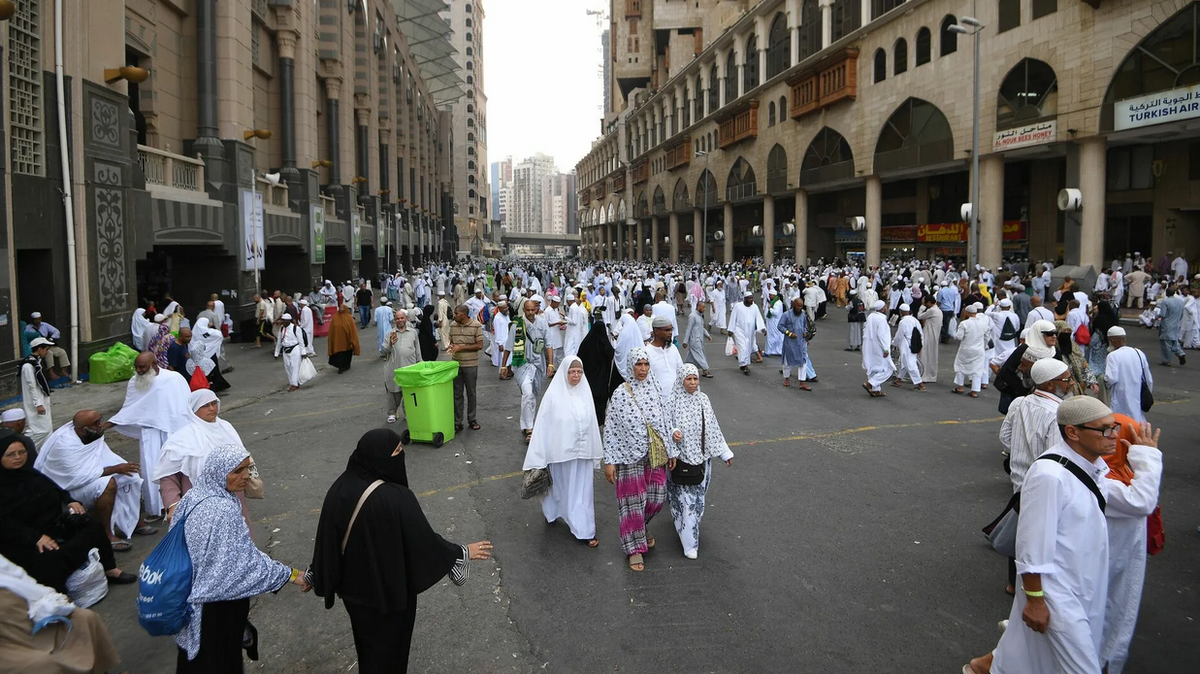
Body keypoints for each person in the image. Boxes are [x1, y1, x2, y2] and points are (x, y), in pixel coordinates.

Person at [308, 429, 493, 674]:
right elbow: (424, 544)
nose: (401, 456)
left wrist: (316, 573)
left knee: (368, 649)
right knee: (391, 654)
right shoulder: (396, 498)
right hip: (390, 597)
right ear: (380, 457)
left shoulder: (341, 487)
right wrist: (462, 552)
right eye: (397, 452)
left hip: (355, 596)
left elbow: (327, 538)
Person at [975, 397, 1118, 674]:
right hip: (1058, 594)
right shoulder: (1049, 475)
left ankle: (987, 666)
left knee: (1033, 659)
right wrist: (1036, 599)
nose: (1113, 436)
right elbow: (1031, 546)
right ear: (1073, 432)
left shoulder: (1095, 468)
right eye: (1104, 430)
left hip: (1084, 588)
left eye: (1115, 428)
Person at [171, 444, 309, 672]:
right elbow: (243, 565)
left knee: (193, 661)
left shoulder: (194, 496)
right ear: (218, 471)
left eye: (247, 468)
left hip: (188, 598)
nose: (245, 477)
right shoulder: (222, 510)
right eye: (236, 471)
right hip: (216, 608)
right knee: (220, 662)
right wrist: (293, 576)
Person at [1, 433, 136, 593]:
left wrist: (71, 501)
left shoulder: (30, 473)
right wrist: (35, 538)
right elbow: (5, 524)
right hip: (22, 537)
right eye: (10, 454)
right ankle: (57, 594)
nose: (18, 457)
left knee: (92, 526)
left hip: (52, 525)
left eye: (22, 452)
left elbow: (56, 489)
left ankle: (110, 569)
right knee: (49, 556)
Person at [996, 358, 1073, 596]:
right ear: (1050, 385)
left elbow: (1005, 438)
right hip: (1043, 485)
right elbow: (1057, 457)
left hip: (1019, 480)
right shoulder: (1057, 413)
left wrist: (1020, 454)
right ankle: (1035, 589)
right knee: (1041, 537)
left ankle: (1013, 583)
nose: (1070, 383)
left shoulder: (1020, 402)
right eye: (1066, 379)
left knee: (1023, 530)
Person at [1098, 414, 1163, 674]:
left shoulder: (1119, 472)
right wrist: (1146, 457)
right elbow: (1142, 501)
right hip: (1107, 566)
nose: (1112, 438)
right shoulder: (1104, 480)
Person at [33, 411, 146, 551]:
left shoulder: (92, 434)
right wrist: (115, 469)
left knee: (129, 476)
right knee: (108, 484)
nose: (101, 425)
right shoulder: (65, 445)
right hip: (67, 491)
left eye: (100, 420)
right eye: (96, 423)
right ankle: (107, 534)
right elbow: (76, 477)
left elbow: (101, 460)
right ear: (82, 428)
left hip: (86, 478)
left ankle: (133, 522)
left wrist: (119, 468)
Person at [523, 357, 602, 547]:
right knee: (558, 487)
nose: (576, 376)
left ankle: (584, 528)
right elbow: (543, 426)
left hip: (582, 453)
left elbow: (592, 422)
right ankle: (552, 511)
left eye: (579, 372)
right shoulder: (553, 396)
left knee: (581, 492)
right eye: (572, 372)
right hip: (560, 453)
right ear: (564, 373)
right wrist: (540, 454)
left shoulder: (585, 393)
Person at [603, 348, 669, 572]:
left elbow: (665, 419)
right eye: (638, 364)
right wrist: (609, 461)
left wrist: (672, 450)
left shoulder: (656, 388)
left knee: (657, 497)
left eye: (646, 364)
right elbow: (610, 428)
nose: (642, 369)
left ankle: (640, 527)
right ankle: (634, 549)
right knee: (632, 504)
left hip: (655, 454)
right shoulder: (621, 393)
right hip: (627, 455)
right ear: (631, 366)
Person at [0, 551, 123, 672]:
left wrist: (51, 596)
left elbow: (19, 576)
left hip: (24, 613)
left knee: (85, 618)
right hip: (5, 641)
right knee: (38, 664)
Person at [107, 352, 193, 519]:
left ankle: (185, 501)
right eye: (136, 367)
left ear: (155, 364)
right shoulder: (134, 382)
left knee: (181, 466)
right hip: (150, 433)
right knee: (153, 469)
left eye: (143, 367)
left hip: (174, 431)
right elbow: (131, 408)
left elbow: (186, 405)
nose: (139, 371)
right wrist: (110, 423)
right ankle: (159, 507)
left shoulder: (174, 378)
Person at [155, 390, 252, 526]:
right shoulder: (182, 439)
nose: (212, 408)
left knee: (239, 534)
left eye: (214, 403)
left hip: (234, 497)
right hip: (201, 504)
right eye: (205, 405)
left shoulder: (226, 428)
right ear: (193, 409)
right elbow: (168, 476)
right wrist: (173, 505)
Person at [665, 365, 734, 560]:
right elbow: (665, 425)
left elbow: (712, 427)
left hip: (701, 461)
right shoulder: (672, 402)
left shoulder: (703, 400)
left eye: (695, 379)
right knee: (686, 502)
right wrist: (673, 434)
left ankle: (685, 529)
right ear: (681, 381)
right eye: (689, 379)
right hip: (679, 460)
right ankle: (690, 543)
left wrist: (724, 452)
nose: (693, 383)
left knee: (697, 501)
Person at [508, 299, 553, 443]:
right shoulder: (517, 324)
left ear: (537, 309)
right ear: (524, 310)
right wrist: (504, 366)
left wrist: (551, 364)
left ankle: (527, 421)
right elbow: (509, 346)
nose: (530, 313)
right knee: (527, 394)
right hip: (522, 364)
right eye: (527, 310)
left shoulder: (542, 323)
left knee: (533, 394)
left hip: (538, 364)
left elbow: (549, 344)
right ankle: (529, 428)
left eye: (533, 310)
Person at [576, 308, 624, 425]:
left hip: (587, 378)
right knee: (600, 400)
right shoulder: (604, 344)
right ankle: (599, 420)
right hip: (602, 379)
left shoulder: (586, 343)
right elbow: (611, 354)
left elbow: (579, 357)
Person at [447, 305, 484, 433]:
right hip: (456, 365)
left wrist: (461, 348)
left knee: (471, 393)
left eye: (457, 313)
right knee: (457, 394)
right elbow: (452, 341)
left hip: (471, 365)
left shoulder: (476, 325)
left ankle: (472, 419)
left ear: (464, 314)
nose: (455, 315)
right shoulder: (453, 325)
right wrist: (452, 347)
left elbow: (479, 345)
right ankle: (458, 422)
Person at [1104, 326, 1152, 423]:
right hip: (1137, 393)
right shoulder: (1139, 353)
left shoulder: (1113, 356)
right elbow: (1148, 378)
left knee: (1120, 421)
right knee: (1136, 419)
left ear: (1112, 340)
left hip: (1120, 396)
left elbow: (1111, 379)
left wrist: (1103, 379)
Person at [383, 309, 422, 424]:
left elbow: (417, 349)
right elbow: (384, 350)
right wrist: (390, 343)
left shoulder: (413, 332)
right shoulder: (390, 333)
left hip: (410, 368)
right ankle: (392, 413)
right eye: (397, 318)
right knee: (393, 391)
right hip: (395, 368)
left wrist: (420, 363)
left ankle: (408, 413)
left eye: (402, 318)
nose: (400, 320)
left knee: (409, 392)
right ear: (394, 320)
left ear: (406, 319)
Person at [20, 338, 53, 447]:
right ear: (39, 349)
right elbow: (32, 386)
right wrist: (38, 404)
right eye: (46, 349)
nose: (47, 352)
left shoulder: (36, 362)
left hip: (42, 399)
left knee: (48, 429)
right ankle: (23, 446)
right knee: (39, 430)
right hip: (36, 402)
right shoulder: (28, 366)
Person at [952, 305, 990, 397]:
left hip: (966, 349)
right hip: (979, 350)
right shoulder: (983, 324)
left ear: (967, 312)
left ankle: (960, 387)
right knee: (977, 369)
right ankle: (975, 391)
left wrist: (953, 333)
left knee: (960, 366)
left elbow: (959, 337)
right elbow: (987, 337)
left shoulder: (964, 323)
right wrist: (983, 346)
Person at [727, 291, 766, 376]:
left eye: (752, 298)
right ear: (744, 299)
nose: (751, 300)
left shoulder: (755, 307)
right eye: (749, 298)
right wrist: (731, 329)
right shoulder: (738, 306)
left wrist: (763, 328)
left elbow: (759, 318)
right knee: (742, 347)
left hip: (750, 331)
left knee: (747, 347)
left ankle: (742, 364)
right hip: (739, 330)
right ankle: (745, 366)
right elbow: (733, 317)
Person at [777, 297, 812, 391]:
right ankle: (787, 379)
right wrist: (789, 333)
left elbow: (805, 325)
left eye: (801, 306)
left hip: (801, 342)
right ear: (793, 305)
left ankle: (802, 382)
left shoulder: (803, 314)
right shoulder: (786, 315)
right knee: (788, 362)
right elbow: (780, 326)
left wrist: (805, 333)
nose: (799, 308)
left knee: (803, 362)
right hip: (790, 342)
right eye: (798, 306)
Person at [861, 300, 894, 397]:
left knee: (873, 367)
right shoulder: (881, 320)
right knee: (888, 369)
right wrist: (885, 349)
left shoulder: (871, 316)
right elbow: (881, 335)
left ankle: (875, 389)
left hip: (869, 346)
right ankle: (870, 384)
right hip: (879, 347)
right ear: (883, 309)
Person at [189, 318, 230, 392]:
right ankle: (216, 385)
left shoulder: (194, 332)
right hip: (210, 353)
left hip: (199, 355)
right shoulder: (207, 332)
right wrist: (212, 327)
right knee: (213, 370)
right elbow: (218, 335)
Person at [24, 313, 69, 380]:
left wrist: (51, 339)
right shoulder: (28, 328)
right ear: (32, 320)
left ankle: (63, 371)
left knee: (61, 352)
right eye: (35, 320)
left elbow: (56, 331)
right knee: (49, 353)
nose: (37, 322)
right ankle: (51, 372)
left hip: (46, 344)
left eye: (39, 319)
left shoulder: (45, 325)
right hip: (37, 347)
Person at [892, 304, 925, 391]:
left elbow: (899, 335)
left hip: (906, 345)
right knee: (904, 362)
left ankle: (920, 384)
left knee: (910, 364)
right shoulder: (915, 320)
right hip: (914, 344)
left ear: (901, 312)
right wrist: (920, 345)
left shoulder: (903, 322)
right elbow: (921, 333)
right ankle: (898, 380)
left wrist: (894, 344)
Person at [274, 315, 308, 392]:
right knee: (288, 367)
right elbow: (279, 341)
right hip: (285, 350)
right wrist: (276, 353)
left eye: (284, 320)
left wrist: (303, 352)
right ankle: (293, 382)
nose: (282, 322)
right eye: (282, 320)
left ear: (288, 321)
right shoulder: (282, 329)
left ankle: (294, 385)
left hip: (295, 349)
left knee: (294, 367)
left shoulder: (296, 328)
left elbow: (301, 341)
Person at [680, 301, 713, 378]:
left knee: (691, 357)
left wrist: (707, 335)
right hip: (694, 340)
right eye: (703, 307)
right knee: (700, 355)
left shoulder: (700, 316)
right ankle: (705, 370)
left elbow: (701, 327)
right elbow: (689, 329)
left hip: (699, 339)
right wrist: (685, 341)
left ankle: (685, 368)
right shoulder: (693, 316)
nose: (704, 309)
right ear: (698, 307)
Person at [328, 297, 361, 374]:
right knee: (339, 356)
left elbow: (353, 331)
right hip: (337, 342)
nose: (341, 308)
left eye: (343, 307)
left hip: (347, 342)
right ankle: (341, 367)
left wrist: (353, 341)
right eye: (340, 307)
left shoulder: (349, 318)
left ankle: (346, 366)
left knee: (346, 355)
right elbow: (332, 330)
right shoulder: (335, 318)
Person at [1155, 287, 1186, 366]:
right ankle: (1180, 353)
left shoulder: (1165, 302)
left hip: (1167, 324)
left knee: (1166, 343)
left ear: (1167, 293)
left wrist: (1156, 317)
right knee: (1174, 340)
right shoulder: (1180, 301)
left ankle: (1166, 360)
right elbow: (1182, 314)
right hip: (1176, 324)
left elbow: (1162, 314)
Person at [917, 294, 943, 383]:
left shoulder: (932, 310)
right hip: (934, 335)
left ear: (928, 302)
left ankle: (924, 375)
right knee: (931, 356)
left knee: (925, 355)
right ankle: (931, 375)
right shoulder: (938, 310)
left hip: (929, 335)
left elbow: (920, 316)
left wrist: (921, 307)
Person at [564, 293, 589, 358]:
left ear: (569, 301)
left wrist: (565, 318)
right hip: (575, 331)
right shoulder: (576, 307)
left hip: (573, 332)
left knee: (570, 349)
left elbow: (574, 321)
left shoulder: (573, 308)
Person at [763, 290, 784, 357]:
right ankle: (776, 351)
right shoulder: (775, 301)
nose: (769, 296)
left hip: (774, 322)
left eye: (770, 295)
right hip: (772, 322)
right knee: (775, 336)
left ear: (773, 295)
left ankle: (768, 352)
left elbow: (776, 312)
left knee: (772, 337)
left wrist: (770, 308)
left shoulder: (777, 303)